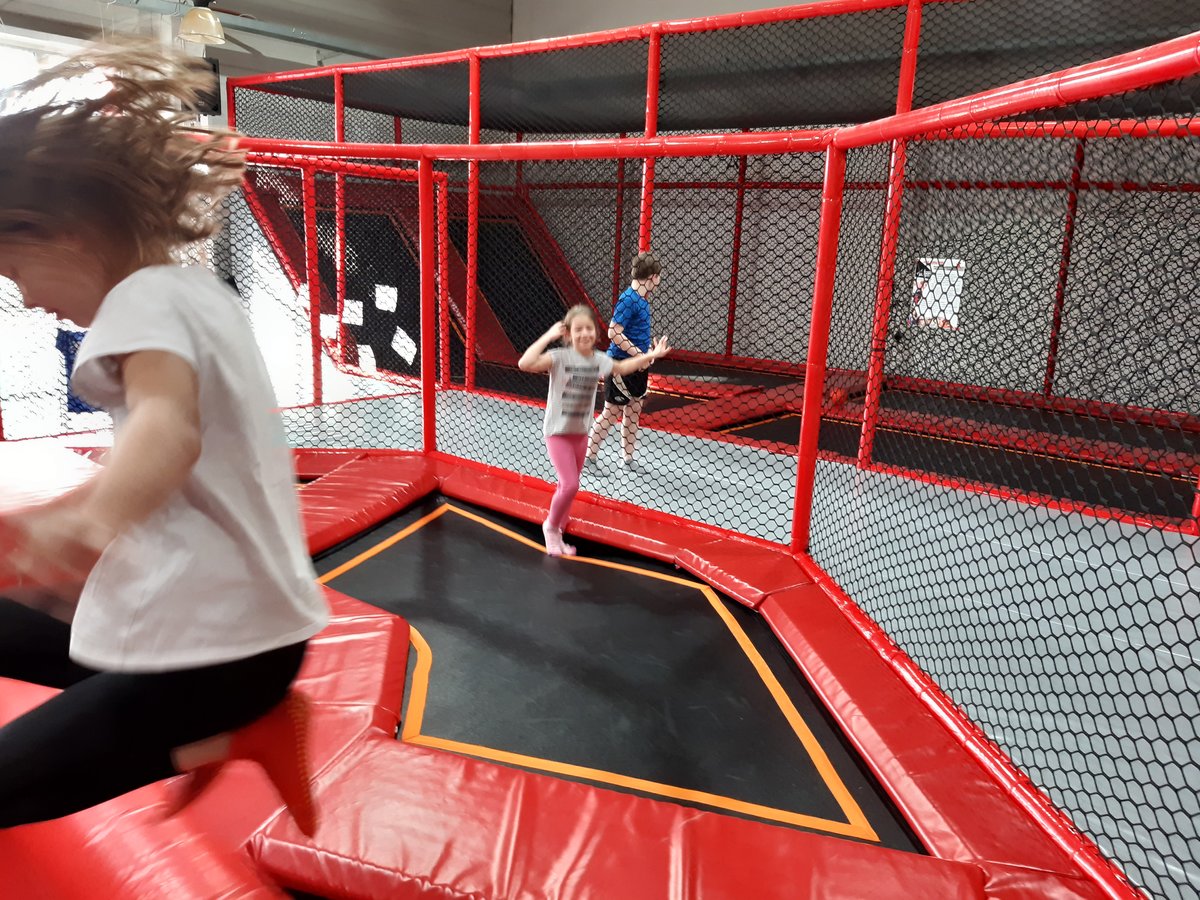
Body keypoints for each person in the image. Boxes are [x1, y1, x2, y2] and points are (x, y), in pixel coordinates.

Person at [0, 41, 326, 834]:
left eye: (14, 274)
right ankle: (221, 736)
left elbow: (166, 428)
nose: (27, 299)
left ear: (68, 235)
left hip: (219, 655)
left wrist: (88, 525)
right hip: (228, 636)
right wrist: (64, 518)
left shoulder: (140, 301)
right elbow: (180, 446)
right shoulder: (189, 291)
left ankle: (231, 730)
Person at [519, 305, 669, 557]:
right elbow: (525, 363)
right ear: (568, 334)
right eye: (578, 329)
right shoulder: (559, 357)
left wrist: (651, 355)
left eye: (588, 328)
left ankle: (561, 522)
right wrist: (548, 336)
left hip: (580, 434)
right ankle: (551, 527)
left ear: (596, 334)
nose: (584, 333)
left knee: (568, 485)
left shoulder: (597, 360)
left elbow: (623, 367)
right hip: (557, 433)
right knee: (570, 484)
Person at [586, 251, 664, 468]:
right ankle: (589, 457)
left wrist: (648, 351)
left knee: (634, 410)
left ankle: (628, 458)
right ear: (652, 276)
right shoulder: (629, 299)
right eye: (658, 276)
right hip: (621, 365)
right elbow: (613, 332)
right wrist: (640, 355)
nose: (659, 280)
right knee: (612, 412)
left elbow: (633, 334)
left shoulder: (642, 301)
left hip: (637, 367)